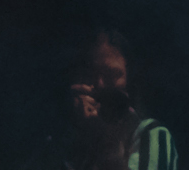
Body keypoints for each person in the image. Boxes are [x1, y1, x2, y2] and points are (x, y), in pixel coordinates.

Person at [60, 30, 176, 170]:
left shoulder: (151, 134)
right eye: (91, 73)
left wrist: (104, 139)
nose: (99, 84)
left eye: (112, 74)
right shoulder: (69, 139)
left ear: (129, 79)